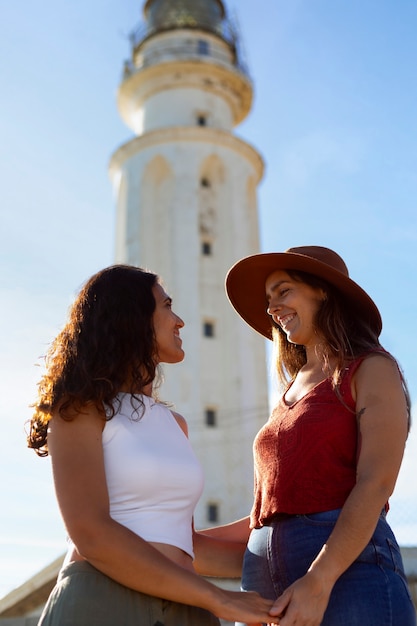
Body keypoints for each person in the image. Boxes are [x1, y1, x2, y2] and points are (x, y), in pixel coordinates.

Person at [27, 264, 276, 626]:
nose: (180, 321)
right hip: (103, 600)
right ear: (132, 318)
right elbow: (91, 533)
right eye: (167, 306)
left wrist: (294, 541)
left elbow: (186, 544)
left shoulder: (176, 425)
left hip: (188, 608)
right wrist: (220, 599)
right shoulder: (80, 408)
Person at [198, 246, 415, 626]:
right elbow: (266, 515)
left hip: (349, 579)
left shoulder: (371, 368)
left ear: (324, 291)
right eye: (269, 300)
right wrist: (170, 536)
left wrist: (318, 581)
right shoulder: (288, 392)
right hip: (264, 588)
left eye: (283, 291)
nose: (272, 308)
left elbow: (377, 481)